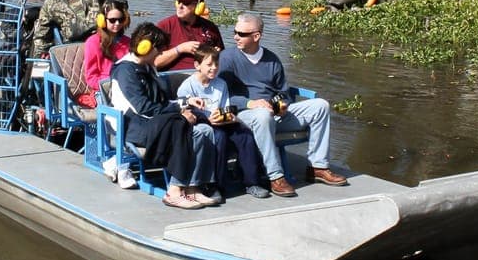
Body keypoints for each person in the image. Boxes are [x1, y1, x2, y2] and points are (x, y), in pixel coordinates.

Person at [218, 12, 348, 197]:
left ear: (256, 36)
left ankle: (317, 167)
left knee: (320, 105)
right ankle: (275, 177)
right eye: (235, 32)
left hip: (273, 114)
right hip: (244, 115)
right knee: (262, 115)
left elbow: (283, 93)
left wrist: (281, 105)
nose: (236, 37)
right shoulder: (227, 58)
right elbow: (221, 95)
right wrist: (250, 103)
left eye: (242, 34)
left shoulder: (272, 59)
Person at [109, 23, 219, 209]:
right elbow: (143, 108)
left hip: (155, 122)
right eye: (159, 49)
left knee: (203, 130)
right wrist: (179, 112)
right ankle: (174, 191)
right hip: (133, 126)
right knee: (185, 128)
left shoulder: (148, 67)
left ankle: (193, 187)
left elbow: (161, 102)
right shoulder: (125, 71)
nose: (161, 53)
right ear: (145, 47)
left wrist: (185, 102)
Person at [177, 44, 268, 199]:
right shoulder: (188, 86)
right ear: (197, 65)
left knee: (244, 135)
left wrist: (228, 117)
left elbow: (224, 107)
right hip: (201, 125)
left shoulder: (220, 84)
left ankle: (252, 182)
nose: (214, 68)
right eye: (209, 65)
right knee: (219, 137)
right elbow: (184, 111)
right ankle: (214, 186)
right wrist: (206, 119)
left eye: (216, 64)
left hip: (220, 122)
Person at [77, 0, 131, 107]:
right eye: (112, 20)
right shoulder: (93, 42)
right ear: (102, 20)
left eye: (120, 20)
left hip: (126, 88)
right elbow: (91, 78)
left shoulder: (129, 42)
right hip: (103, 91)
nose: (117, 23)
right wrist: (111, 85)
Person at [155, 0, 224, 71]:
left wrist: (217, 55)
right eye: (179, 2)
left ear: (199, 6)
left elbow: (223, 61)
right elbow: (153, 63)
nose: (180, 6)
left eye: (186, 3)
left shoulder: (211, 28)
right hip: (173, 77)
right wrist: (179, 49)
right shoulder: (165, 25)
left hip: (205, 76)